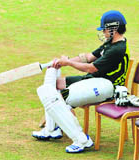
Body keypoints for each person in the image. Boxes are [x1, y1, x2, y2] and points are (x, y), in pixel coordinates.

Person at [32, 10, 130, 153]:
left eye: (104, 29)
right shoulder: (111, 43)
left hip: (108, 86)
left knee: (61, 98)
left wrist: (68, 63)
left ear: (113, 29)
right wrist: (63, 61)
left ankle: (82, 140)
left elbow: (90, 68)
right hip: (96, 79)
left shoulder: (117, 49)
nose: (103, 32)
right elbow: (89, 57)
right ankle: (52, 129)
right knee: (53, 84)